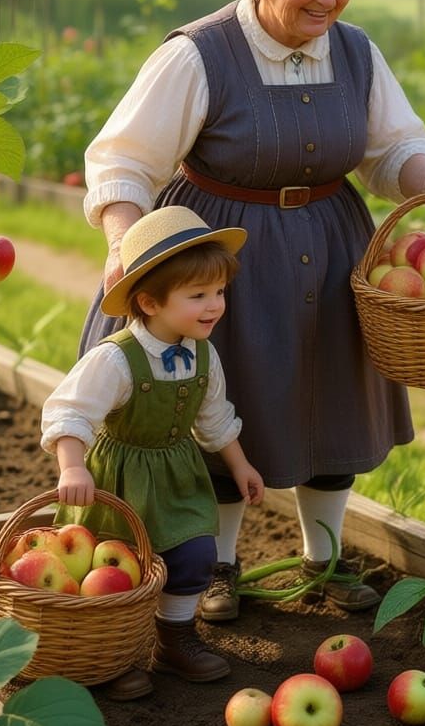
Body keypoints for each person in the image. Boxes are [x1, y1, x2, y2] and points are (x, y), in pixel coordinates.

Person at [77, 0, 425, 620]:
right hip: (218, 256)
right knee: (224, 402)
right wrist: (125, 244)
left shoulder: (356, 53)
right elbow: (124, 161)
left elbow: (393, 148)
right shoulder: (199, 54)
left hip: (332, 245)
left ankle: (323, 561)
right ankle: (219, 565)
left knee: (333, 406)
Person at [41, 206, 264, 700]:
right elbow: (70, 413)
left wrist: (240, 464)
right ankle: (112, 655)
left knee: (194, 553)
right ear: (149, 301)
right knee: (115, 570)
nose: (215, 305)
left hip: (177, 474)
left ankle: (175, 639)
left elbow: (214, 418)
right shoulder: (115, 359)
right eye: (198, 295)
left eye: (220, 292)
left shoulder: (204, 354)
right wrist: (72, 465)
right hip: (119, 479)